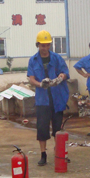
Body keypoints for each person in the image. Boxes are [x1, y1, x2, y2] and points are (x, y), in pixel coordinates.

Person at [27, 30, 70, 166]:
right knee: (42, 128)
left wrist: (60, 77)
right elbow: (31, 78)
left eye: (47, 45)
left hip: (57, 98)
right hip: (42, 100)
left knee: (57, 128)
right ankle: (43, 155)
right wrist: (40, 84)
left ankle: (59, 153)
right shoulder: (33, 60)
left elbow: (65, 72)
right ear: (38, 45)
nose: (45, 48)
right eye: (42, 45)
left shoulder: (57, 58)